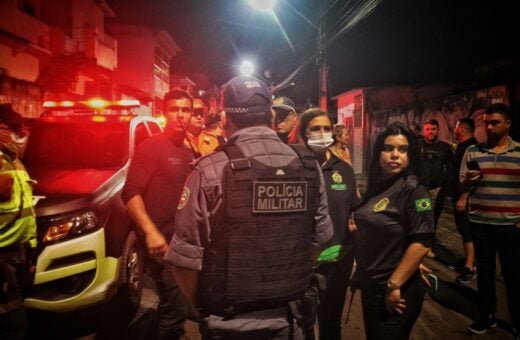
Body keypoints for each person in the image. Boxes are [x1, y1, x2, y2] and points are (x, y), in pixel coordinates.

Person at [164, 75, 333, 340]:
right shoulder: (309, 167)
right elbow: (321, 239)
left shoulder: (208, 171)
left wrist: (203, 305)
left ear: (224, 120)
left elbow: (183, 262)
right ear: (272, 118)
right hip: (291, 321)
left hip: (227, 324)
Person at [121, 89, 197, 339]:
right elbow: (130, 193)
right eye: (174, 109)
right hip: (162, 242)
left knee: (180, 303)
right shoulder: (151, 147)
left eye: (185, 110)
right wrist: (151, 233)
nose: (180, 115)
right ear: (165, 113)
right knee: (174, 309)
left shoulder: (189, 148)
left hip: (184, 241)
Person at [354, 122, 435, 340]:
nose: (395, 155)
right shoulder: (379, 186)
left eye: (402, 149)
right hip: (372, 287)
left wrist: (395, 283)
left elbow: (423, 240)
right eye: (388, 148)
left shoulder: (414, 190)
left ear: (411, 156)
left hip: (395, 292)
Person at [460, 103, 520, 337]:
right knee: (484, 275)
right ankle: (486, 316)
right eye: (485, 123)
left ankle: (516, 320)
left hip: (511, 226)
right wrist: (467, 182)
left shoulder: (519, 152)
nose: (489, 127)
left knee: (514, 276)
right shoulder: (473, 151)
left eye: (494, 122)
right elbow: (460, 186)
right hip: (480, 224)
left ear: (508, 124)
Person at [299, 108, 358, 340]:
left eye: (326, 128)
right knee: (301, 321)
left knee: (331, 321)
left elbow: (354, 211)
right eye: (316, 128)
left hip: (337, 261)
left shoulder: (344, 170)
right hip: (301, 263)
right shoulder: (294, 166)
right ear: (304, 132)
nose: (323, 133)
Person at [0, 103, 37, 339]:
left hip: (17, 251)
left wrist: (31, 250)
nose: (19, 136)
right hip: (1, 253)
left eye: (20, 130)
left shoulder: (15, 162)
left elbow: (26, 210)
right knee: (12, 322)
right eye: (12, 129)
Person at [444, 118, 478, 284]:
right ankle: (467, 260)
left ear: (462, 128)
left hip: (464, 199)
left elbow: (473, 175)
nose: (454, 128)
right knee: (463, 229)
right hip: (457, 195)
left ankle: (470, 267)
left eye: (456, 125)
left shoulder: (471, 148)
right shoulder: (463, 146)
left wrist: (463, 197)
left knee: (466, 231)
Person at [419, 119, 453, 224]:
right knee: (423, 214)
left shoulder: (445, 148)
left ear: (438, 130)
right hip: (421, 189)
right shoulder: (417, 145)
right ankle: (423, 237)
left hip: (436, 190)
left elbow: (450, 167)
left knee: (434, 216)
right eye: (427, 129)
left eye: (433, 129)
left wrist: (444, 184)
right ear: (424, 131)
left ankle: (431, 237)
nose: (430, 131)